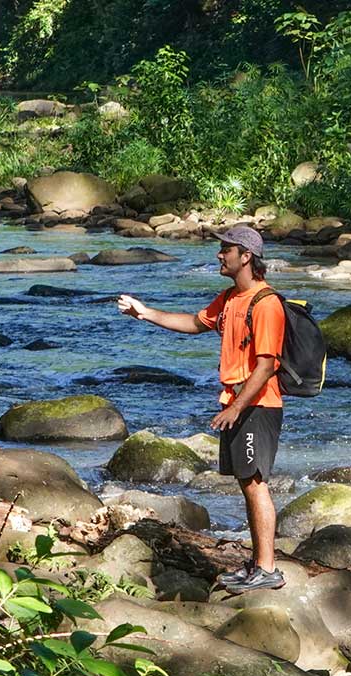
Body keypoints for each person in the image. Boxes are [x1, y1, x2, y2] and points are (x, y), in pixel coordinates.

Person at [116, 224, 287, 593]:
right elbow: (194, 323)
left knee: (256, 484)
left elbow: (267, 365)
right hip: (239, 404)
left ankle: (268, 569)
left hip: (257, 405)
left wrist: (236, 408)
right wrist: (145, 313)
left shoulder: (266, 303)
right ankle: (258, 564)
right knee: (247, 484)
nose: (219, 254)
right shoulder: (229, 299)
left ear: (247, 257)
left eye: (226, 249)